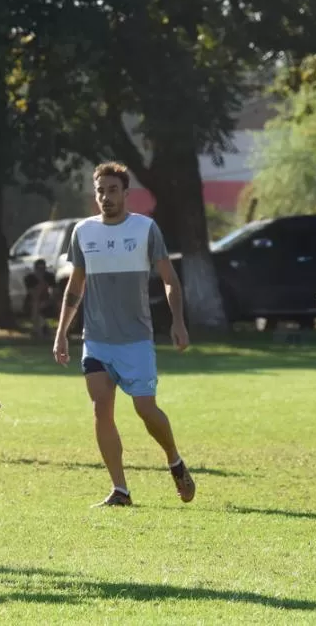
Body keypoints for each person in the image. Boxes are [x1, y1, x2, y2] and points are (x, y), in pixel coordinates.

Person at [52, 161, 195, 507]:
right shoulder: (83, 232)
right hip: (96, 340)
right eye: (100, 190)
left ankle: (174, 459)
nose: (106, 197)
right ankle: (120, 490)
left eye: (113, 190)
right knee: (102, 409)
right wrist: (61, 333)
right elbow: (75, 286)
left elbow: (169, 279)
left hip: (136, 340)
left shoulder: (145, 229)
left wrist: (177, 321)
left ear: (126, 194)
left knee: (146, 410)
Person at [24, 259, 56, 338]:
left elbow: (54, 292)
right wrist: (41, 283)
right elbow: (34, 294)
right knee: (36, 304)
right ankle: (38, 331)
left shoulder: (50, 277)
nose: (41, 271)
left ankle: (39, 331)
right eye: (39, 268)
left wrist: (47, 301)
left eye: (43, 269)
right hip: (32, 302)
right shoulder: (29, 278)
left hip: (47, 301)